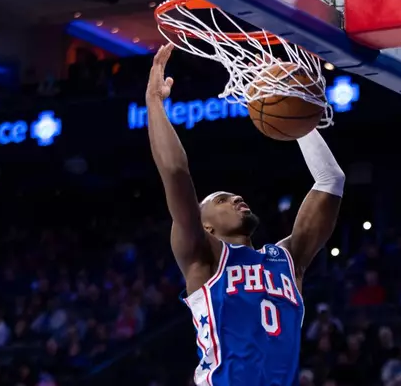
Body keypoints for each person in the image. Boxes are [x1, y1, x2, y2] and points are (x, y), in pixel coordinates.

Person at [146, 44, 345, 386]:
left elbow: (331, 180)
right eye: (222, 199)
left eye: (235, 195)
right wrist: (154, 103)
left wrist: (289, 101)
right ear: (205, 224)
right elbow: (177, 173)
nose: (237, 197)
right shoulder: (204, 258)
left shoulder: (287, 259)